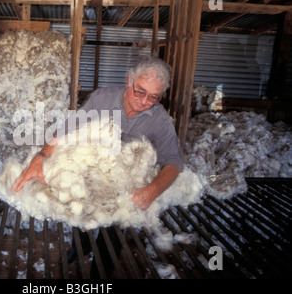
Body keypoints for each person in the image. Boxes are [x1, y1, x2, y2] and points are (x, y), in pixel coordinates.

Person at [12, 56, 184, 278]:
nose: (143, 101)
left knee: (113, 233)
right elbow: (67, 130)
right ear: (129, 80)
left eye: (153, 97)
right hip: (91, 171)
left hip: (124, 185)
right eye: (139, 91)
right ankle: (80, 247)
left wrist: (152, 191)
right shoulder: (103, 99)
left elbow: (174, 161)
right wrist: (39, 159)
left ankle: (100, 272)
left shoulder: (160, 119)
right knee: (77, 206)